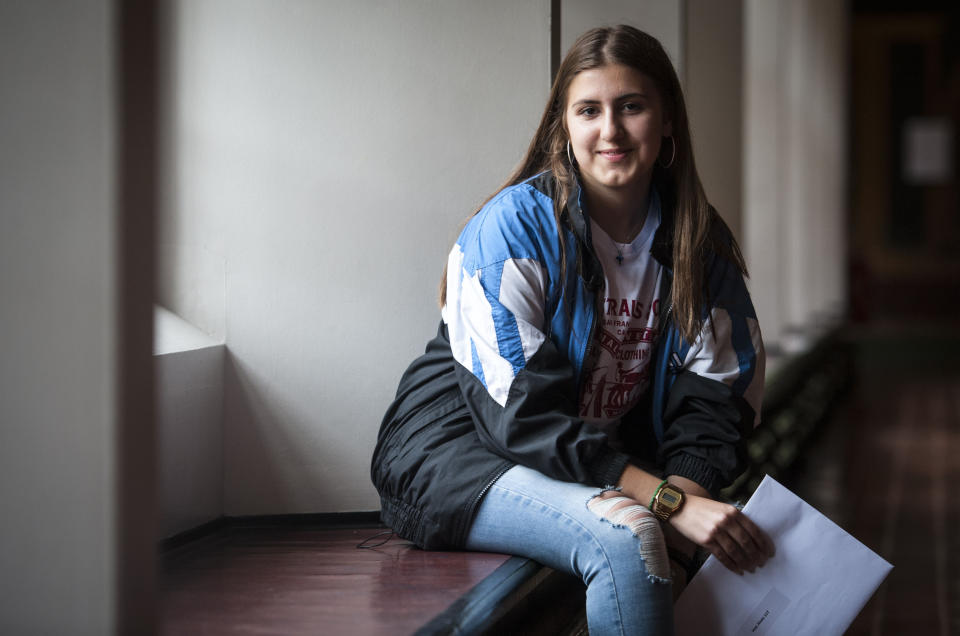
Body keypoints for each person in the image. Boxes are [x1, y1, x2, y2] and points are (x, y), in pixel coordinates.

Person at [371, 24, 774, 635]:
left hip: (588, 461)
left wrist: (687, 505)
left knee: (721, 540)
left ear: (666, 120)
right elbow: (522, 415)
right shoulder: (511, 231)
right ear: (564, 126)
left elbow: (718, 402)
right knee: (629, 539)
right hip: (461, 456)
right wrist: (666, 504)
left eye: (631, 107)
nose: (610, 130)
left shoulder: (697, 242)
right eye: (589, 110)